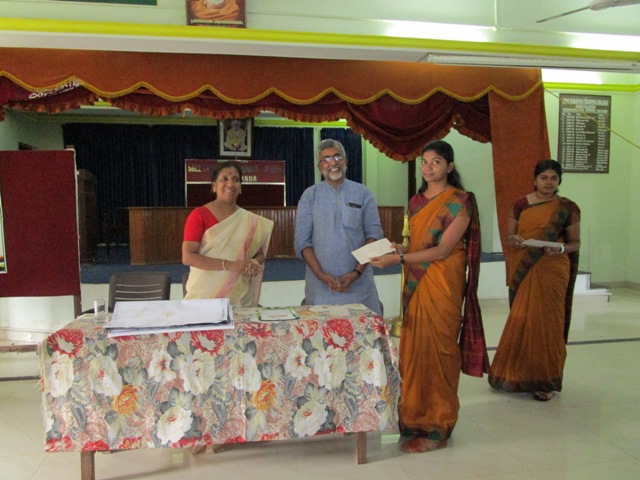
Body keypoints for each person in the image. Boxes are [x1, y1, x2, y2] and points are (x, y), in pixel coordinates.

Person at [370, 139, 489, 454]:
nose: (428, 168)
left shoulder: (460, 201)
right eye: (424, 162)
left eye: (436, 162)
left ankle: (437, 426)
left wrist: (398, 258)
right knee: (414, 352)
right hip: (416, 285)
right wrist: (398, 248)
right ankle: (414, 420)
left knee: (439, 351)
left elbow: (442, 250)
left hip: (443, 283)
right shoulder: (416, 201)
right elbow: (416, 245)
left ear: (450, 166)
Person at [488, 159, 580, 402]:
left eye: (553, 178)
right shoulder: (520, 204)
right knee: (522, 319)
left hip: (553, 268)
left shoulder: (567, 208)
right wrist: (514, 239)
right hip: (525, 268)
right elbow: (510, 236)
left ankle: (546, 380)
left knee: (549, 323)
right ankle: (516, 374)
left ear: (559, 181)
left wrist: (561, 248)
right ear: (535, 179)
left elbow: (575, 243)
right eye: (544, 177)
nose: (548, 182)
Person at [294, 138, 383, 316]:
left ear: (345, 160)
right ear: (319, 166)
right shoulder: (310, 196)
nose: (333, 163)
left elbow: (374, 236)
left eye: (337, 157)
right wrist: (321, 276)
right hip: (320, 289)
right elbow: (302, 242)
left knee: (365, 332)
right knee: (322, 333)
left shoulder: (364, 193)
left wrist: (356, 273)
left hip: (359, 287)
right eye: (326, 159)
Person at [182, 161, 274, 307]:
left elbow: (259, 255)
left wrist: (254, 263)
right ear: (214, 186)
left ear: (240, 187)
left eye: (235, 180)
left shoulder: (249, 221)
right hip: (203, 295)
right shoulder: (199, 215)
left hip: (236, 294)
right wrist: (229, 265)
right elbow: (188, 257)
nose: (230, 184)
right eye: (224, 179)